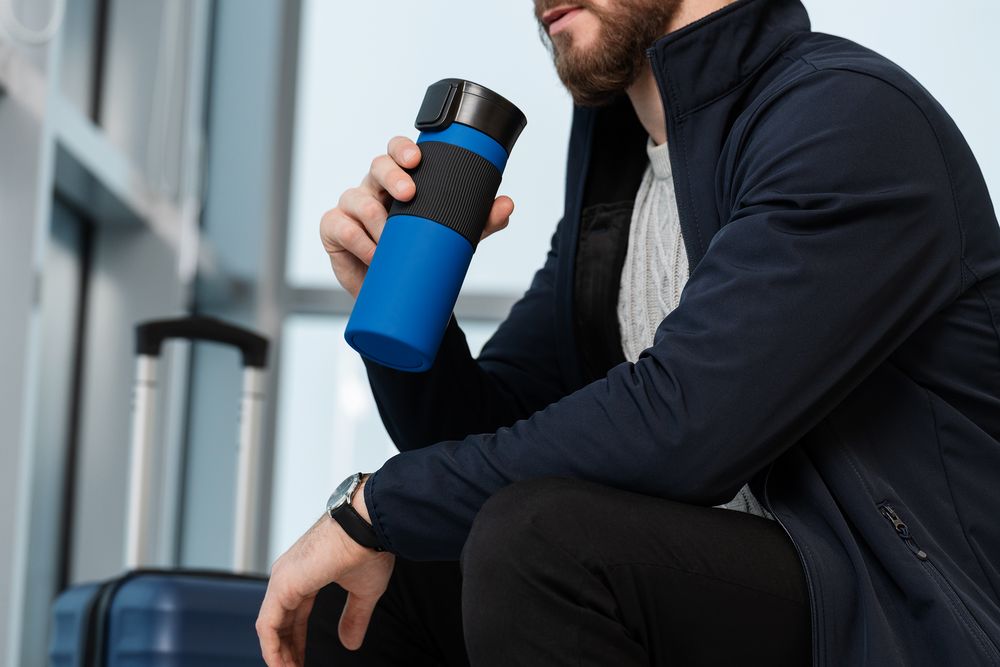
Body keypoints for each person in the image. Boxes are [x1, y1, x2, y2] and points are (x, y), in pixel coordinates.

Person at [256, 0, 1000, 664]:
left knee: (535, 541)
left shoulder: (846, 118)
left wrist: (378, 507)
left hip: (892, 619)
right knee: (364, 582)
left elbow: (682, 424)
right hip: (717, 598)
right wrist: (402, 306)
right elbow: (478, 437)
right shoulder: (624, 174)